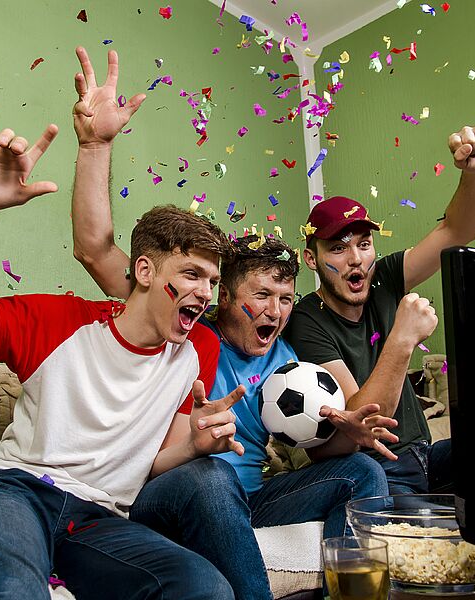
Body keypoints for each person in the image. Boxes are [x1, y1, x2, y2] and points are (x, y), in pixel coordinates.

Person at [0, 107, 263, 599]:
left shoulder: (198, 347)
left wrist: (195, 448)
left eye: (213, 281)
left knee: (204, 589)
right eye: (193, 275)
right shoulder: (60, 322)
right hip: (9, 492)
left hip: (97, 520)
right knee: (8, 589)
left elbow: (151, 464)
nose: (206, 292)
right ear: (146, 271)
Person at [68, 46, 394, 551]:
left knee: (363, 472)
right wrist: (95, 147)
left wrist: (346, 430)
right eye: (261, 294)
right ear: (221, 298)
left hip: (253, 501)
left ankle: (344, 582)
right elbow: (95, 250)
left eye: (286, 298)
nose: (276, 311)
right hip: (176, 496)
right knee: (211, 481)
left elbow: (327, 444)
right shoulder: (184, 328)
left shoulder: (290, 361)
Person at [283, 125, 475, 495]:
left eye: (364, 244)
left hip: (425, 456)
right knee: (424, 541)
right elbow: (365, 419)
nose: (356, 260)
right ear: (312, 259)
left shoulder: (383, 278)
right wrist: (403, 338)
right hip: (379, 468)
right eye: (338, 248)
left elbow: (457, 230)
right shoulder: (307, 320)